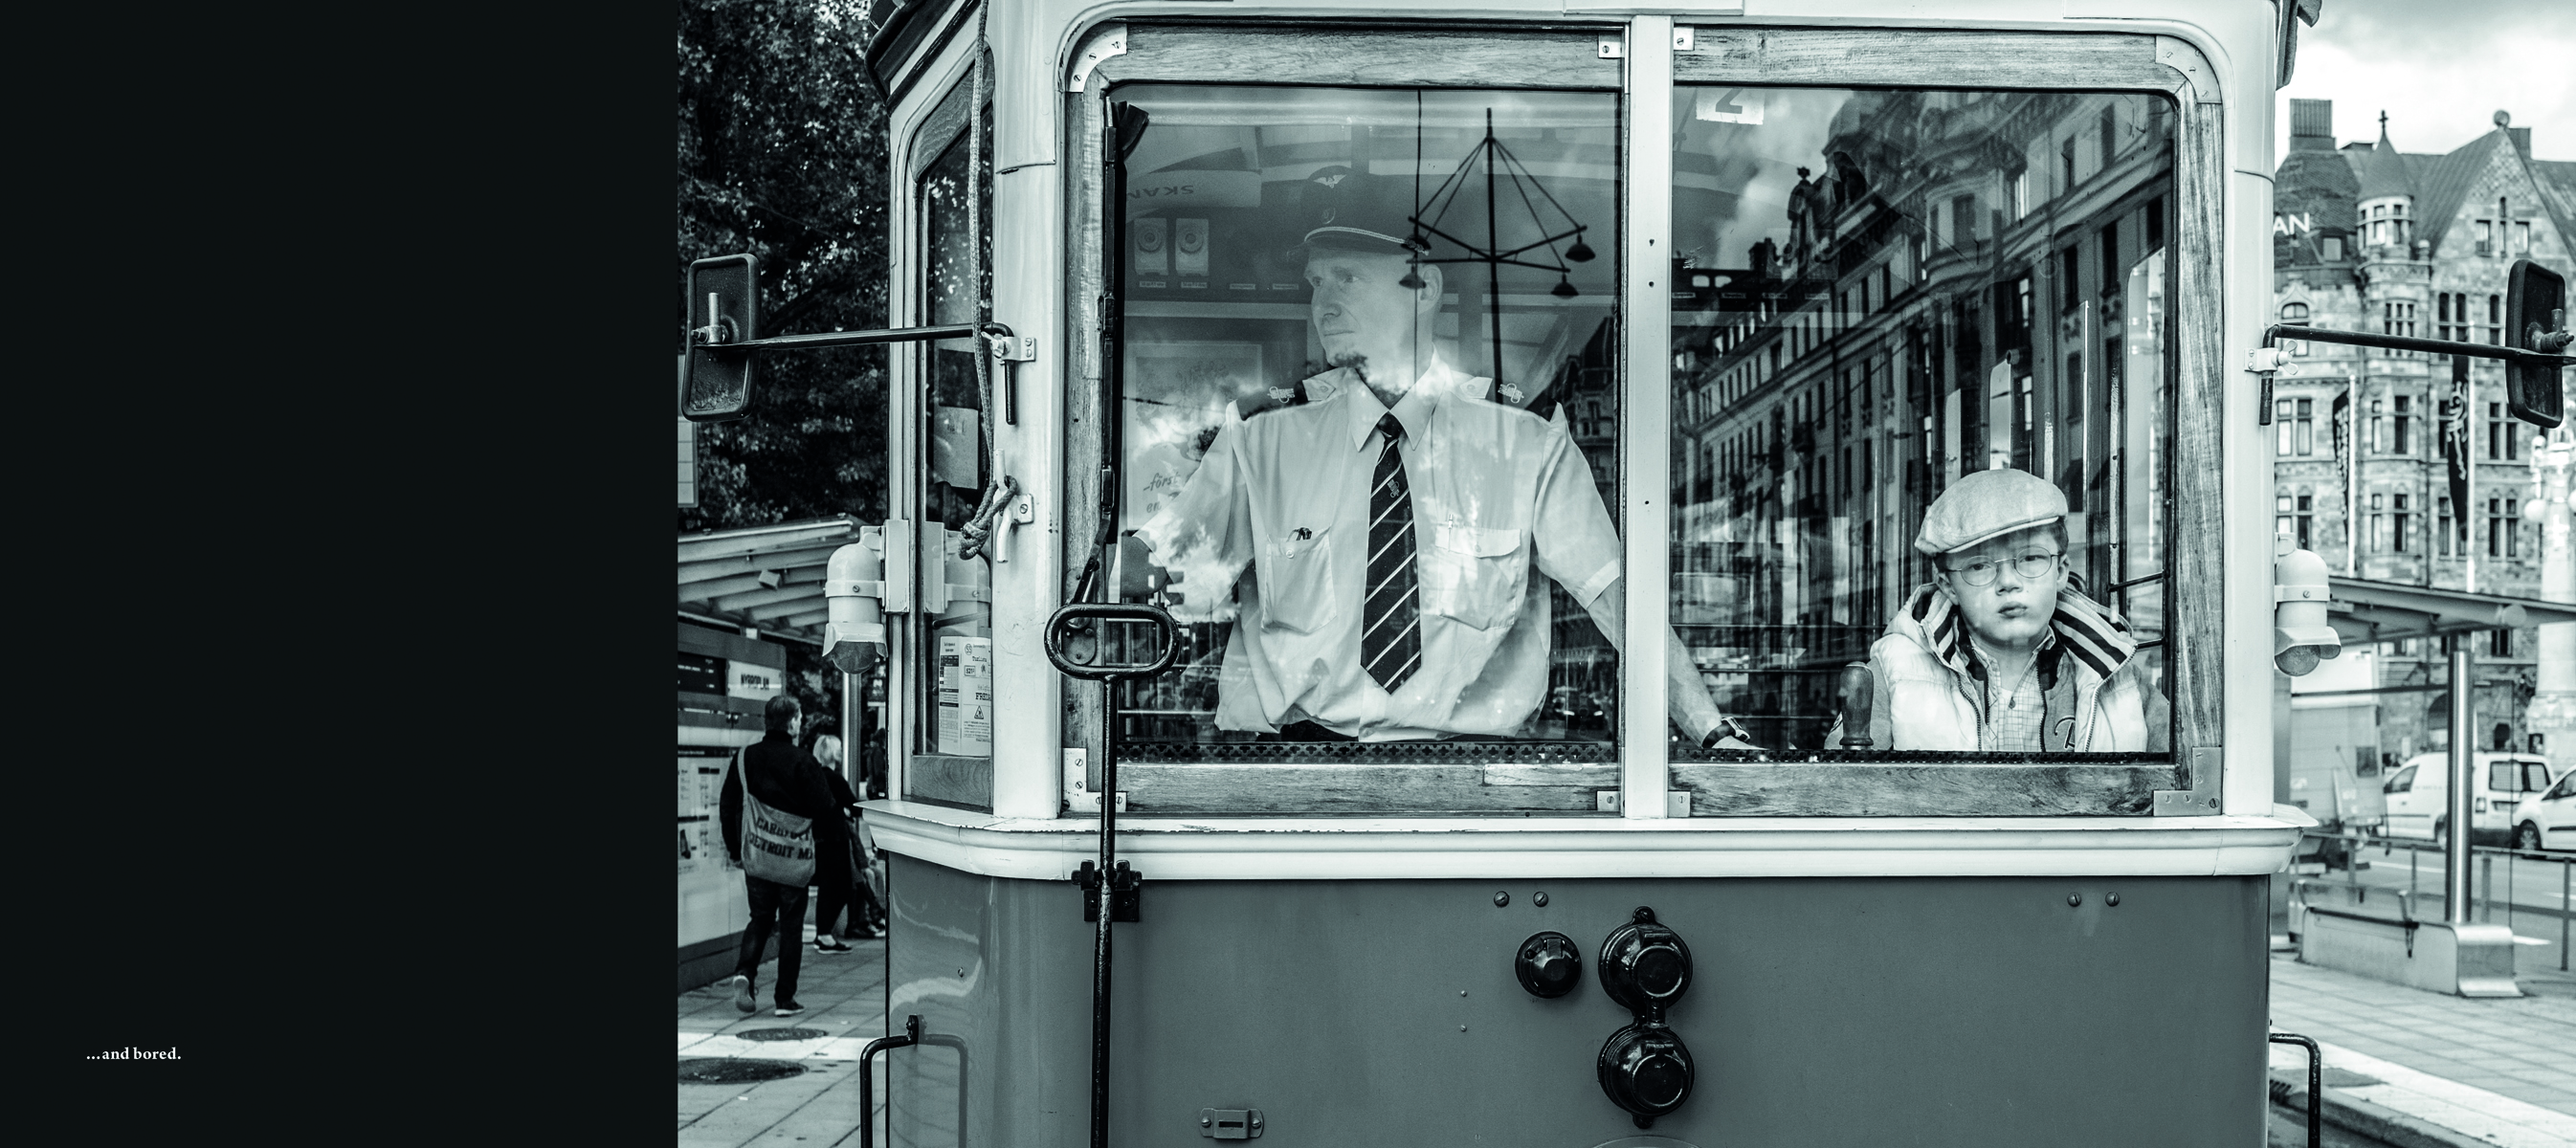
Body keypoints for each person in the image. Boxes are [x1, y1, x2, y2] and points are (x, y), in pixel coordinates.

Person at [1131, 170, 1745, 746]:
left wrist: (1710, 730)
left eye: (1348, 279)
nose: (1324, 305)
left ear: (1423, 289)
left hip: (1468, 780)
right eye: (1318, 282)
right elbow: (1158, 568)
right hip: (1294, 767)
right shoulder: (1265, 436)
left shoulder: (1522, 437)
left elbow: (1614, 596)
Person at [1832, 467, 2169, 752]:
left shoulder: (2116, 675)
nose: (2008, 582)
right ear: (1948, 585)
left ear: (2062, 571)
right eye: (1979, 566)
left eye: (2031, 558)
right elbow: (1845, 794)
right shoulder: (1892, 671)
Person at [720, 694, 837, 1016]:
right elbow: (825, 807)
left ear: (766, 721)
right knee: (791, 927)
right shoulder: (802, 761)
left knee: (759, 919)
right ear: (794, 722)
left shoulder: (745, 758)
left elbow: (728, 805)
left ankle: (745, 972)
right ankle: (784, 999)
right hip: (793, 862)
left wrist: (734, 849)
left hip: (757, 856)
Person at [805, 732, 870, 949]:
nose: (841, 751)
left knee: (827, 886)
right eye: (838, 748)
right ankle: (823, 933)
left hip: (819, 837)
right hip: (835, 838)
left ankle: (824, 934)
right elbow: (853, 805)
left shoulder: (814, 777)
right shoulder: (834, 779)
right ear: (829, 752)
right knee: (843, 887)